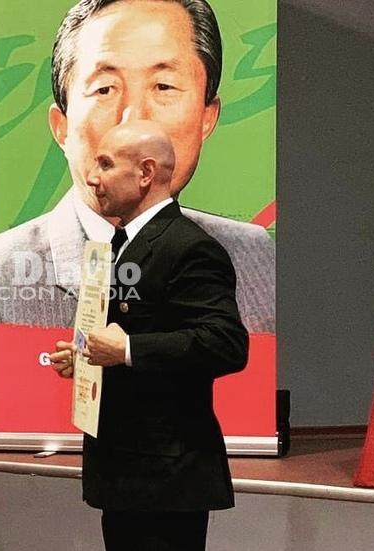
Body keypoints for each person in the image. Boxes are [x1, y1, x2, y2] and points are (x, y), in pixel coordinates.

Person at [0, 0, 274, 333]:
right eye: (105, 89)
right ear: (61, 126)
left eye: (163, 86)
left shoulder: (258, 258)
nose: (134, 119)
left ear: (206, 118)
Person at [49, 120, 248, 550]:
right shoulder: (117, 246)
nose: (91, 177)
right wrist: (87, 356)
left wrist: (127, 349)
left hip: (166, 474)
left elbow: (226, 343)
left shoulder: (189, 247)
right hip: (124, 469)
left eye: (105, 163)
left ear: (145, 173)